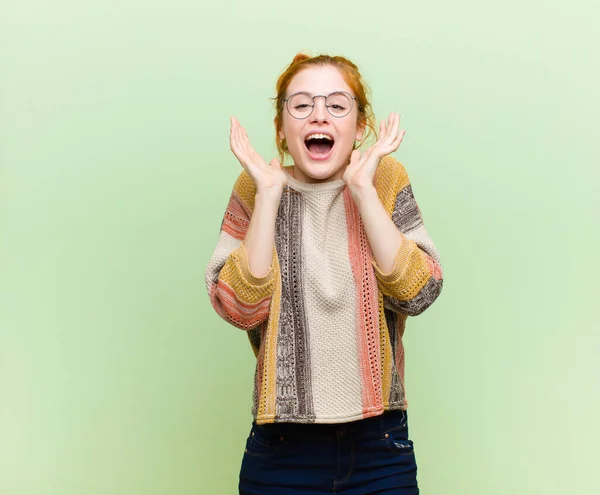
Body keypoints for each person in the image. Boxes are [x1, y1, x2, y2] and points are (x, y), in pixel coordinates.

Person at [205, 53, 444, 495]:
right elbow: (240, 308)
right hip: (282, 449)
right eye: (301, 105)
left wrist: (363, 191)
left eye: (337, 105)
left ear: (360, 126)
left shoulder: (385, 179)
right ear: (281, 127)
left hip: (380, 444)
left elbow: (419, 292)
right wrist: (270, 194)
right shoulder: (255, 188)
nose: (319, 114)